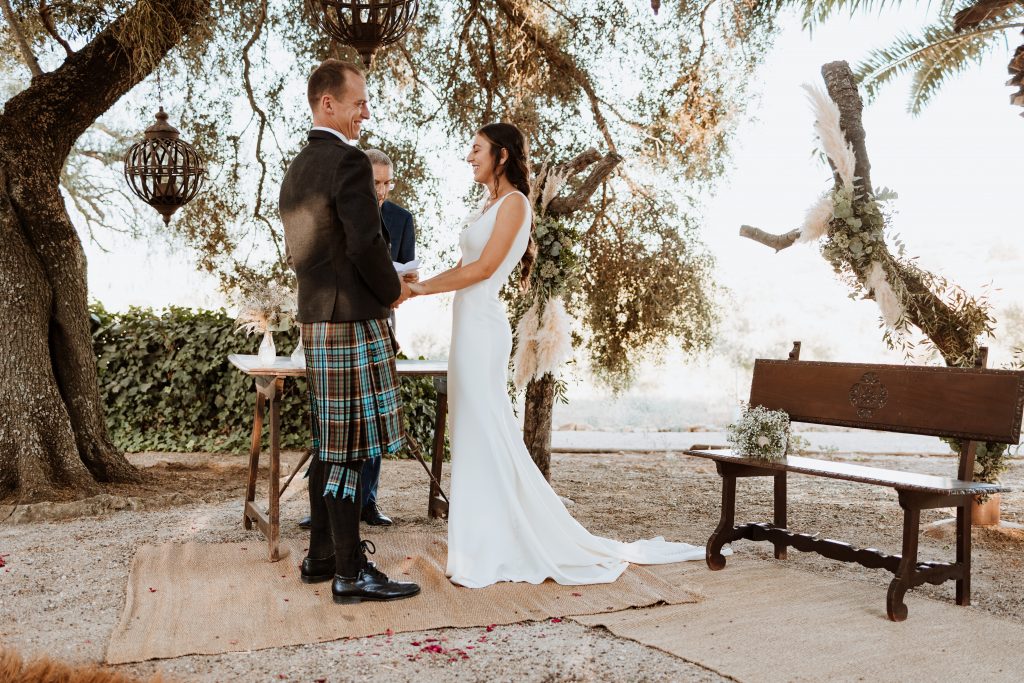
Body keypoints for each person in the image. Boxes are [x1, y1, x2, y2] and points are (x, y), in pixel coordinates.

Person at [407, 123, 706, 588]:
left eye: (477, 149)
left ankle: (491, 545)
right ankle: (479, 538)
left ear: (502, 156)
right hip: (465, 325)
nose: (469, 157)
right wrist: (414, 285)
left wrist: (422, 289)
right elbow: (464, 267)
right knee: (471, 431)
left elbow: (484, 269)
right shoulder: (487, 204)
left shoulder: (516, 204)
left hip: (482, 328)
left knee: (485, 429)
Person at [279, 58, 419, 604]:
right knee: (350, 449)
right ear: (328, 103)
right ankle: (349, 573)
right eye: (359, 102)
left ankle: (320, 557)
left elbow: (306, 252)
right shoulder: (349, 161)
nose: (366, 112)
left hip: (317, 320)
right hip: (353, 321)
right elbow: (365, 243)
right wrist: (391, 291)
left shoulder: (297, 168)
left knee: (329, 442)